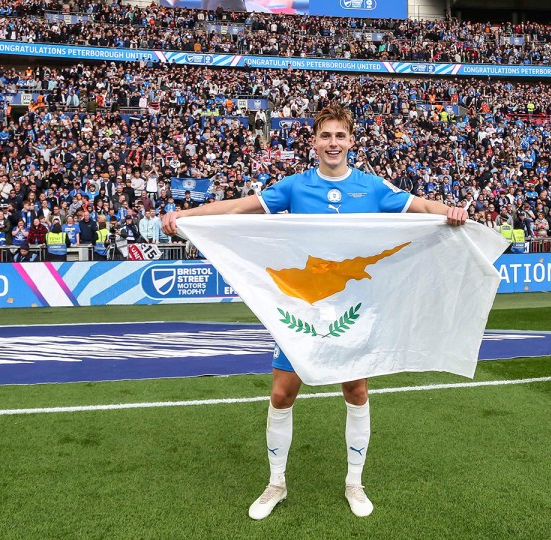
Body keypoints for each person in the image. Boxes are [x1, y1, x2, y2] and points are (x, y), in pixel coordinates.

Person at [162, 104, 469, 521]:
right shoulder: (295, 187)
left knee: (355, 392)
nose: (333, 143)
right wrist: (186, 215)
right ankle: (275, 483)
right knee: (281, 394)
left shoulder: (373, 188)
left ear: (351, 141)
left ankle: (354, 483)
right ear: (314, 142)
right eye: (326, 136)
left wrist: (450, 212)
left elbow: (421, 207)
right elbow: (238, 208)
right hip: (303, 311)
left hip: (353, 312)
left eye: (340, 136)